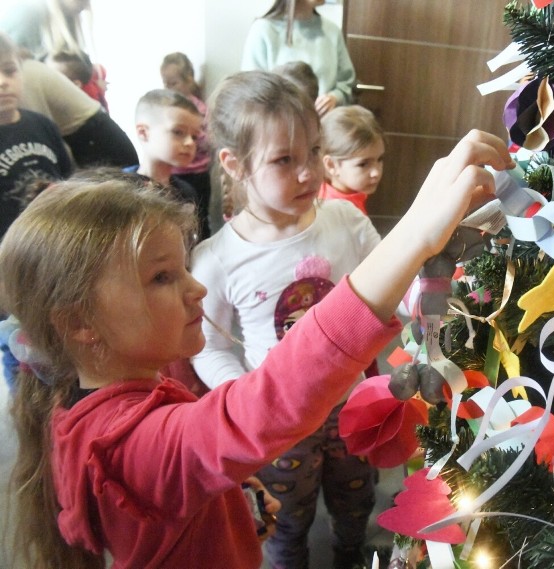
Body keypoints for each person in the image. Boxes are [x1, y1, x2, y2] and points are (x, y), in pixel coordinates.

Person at [0, 115, 512, 569]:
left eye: (181, 268)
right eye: (161, 278)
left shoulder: (114, 390)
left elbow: (188, 469)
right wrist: (415, 235)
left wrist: (229, 491)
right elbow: (266, 402)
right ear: (80, 324)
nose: (195, 287)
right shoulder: (126, 445)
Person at [191, 70, 381, 569]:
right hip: (280, 423)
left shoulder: (347, 223)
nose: (308, 173)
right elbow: (205, 346)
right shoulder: (217, 258)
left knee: (357, 502)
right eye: (283, 160)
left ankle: (351, 556)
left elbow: (390, 291)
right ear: (234, 164)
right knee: (287, 522)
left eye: (314, 153)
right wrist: (244, 396)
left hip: (351, 405)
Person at [0, 32, 72, 239]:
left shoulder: (43, 125)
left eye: (9, 71)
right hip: (12, 254)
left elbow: (67, 179)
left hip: (58, 238)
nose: (3, 81)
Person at [18, 51, 136, 168]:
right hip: (87, 136)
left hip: (93, 138)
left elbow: (37, 136)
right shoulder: (26, 70)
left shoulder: (25, 73)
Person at [242, 0, 355, 116]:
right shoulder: (263, 30)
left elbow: (346, 83)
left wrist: (334, 98)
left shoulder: (332, 31)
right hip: (279, 128)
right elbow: (251, 93)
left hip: (324, 127)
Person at [161, 52, 212, 238]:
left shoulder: (199, 109)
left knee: (200, 218)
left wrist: (194, 137)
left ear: (188, 80)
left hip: (197, 175)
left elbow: (209, 142)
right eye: (165, 83)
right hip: (175, 174)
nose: (169, 88)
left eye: (173, 83)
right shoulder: (166, 110)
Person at [125, 88, 201, 214]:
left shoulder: (186, 192)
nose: (190, 142)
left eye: (194, 136)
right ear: (143, 132)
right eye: (178, 132)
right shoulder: (123, 189)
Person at [319, 104, 384, 216]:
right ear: (331, 165)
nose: (376, 172)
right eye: (363, 164)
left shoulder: (344, 193)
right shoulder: (338, 213)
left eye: (380, 159)